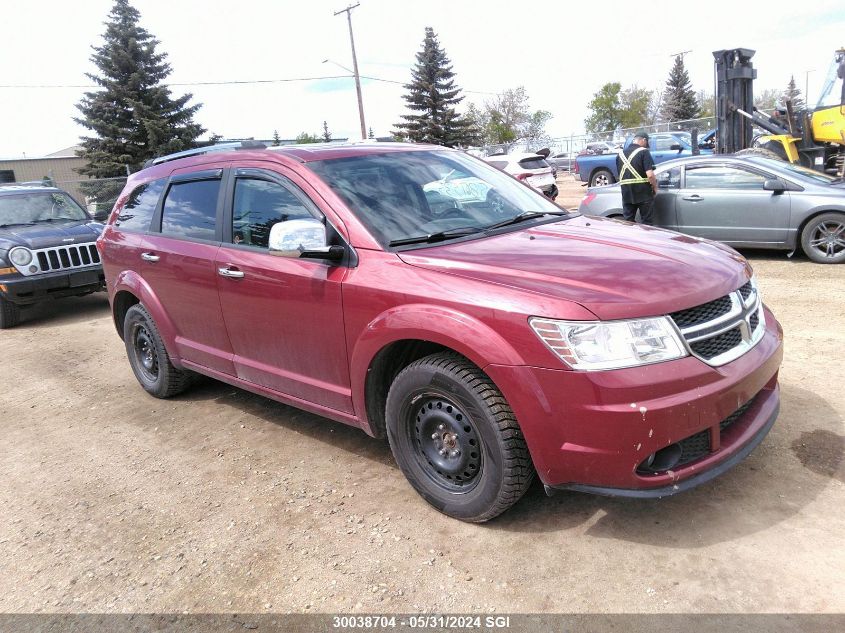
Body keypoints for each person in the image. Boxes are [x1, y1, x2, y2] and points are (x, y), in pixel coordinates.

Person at [616, 130, 657, 225]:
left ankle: (631, 239)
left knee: (628, 223)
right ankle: (645, 239)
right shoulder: (644, 152)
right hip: (643, 193)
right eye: (647, 143)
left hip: (626, 193)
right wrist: (655, 187)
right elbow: (650, 175)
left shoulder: (620, 154)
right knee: (647, 223)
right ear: (643, 140)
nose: (646, 145)